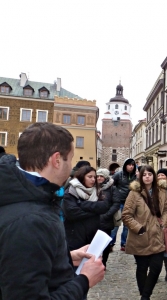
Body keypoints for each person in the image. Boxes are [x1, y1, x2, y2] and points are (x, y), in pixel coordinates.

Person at [0, 122, 104, 299]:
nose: (71, 166)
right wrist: (84, 280)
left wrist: (65, 258)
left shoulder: (30, 196)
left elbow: (25, 264)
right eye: (70, 158)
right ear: (56, 160)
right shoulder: (30, 220)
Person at [122, 165, 167, 300]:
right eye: (144, 174)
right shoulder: (134, 193)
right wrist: (139, 228)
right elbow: (126, 215)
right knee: (142, 268)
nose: (147, 177)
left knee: (156, 268)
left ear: (154, 176)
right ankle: (145, 296)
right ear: (140, 176)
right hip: (140, 237)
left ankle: (145, 296)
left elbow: (166, 209)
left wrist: (164, 223)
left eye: (149, 174)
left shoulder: (161, 191)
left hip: (157, 236)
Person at [63, 166, 109, 251]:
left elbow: (104, 206)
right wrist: (95, 211)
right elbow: (72, 213)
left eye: (94, 177)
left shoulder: (97, 190)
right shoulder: (71, 192)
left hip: (93, 235)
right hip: (75, 236)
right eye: (90, 177)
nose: (93, 180)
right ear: (82, 176)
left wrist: (82, 204)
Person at [111, 158, 137, 251]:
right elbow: (111, 184)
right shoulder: (119, 175)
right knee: (116, 223)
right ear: (125, 165)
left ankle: (124, 243)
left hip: (130, 203)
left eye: (133, 165)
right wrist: (115, 196)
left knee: (127, 225)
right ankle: (111, 243)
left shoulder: (135, 176)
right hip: (119, 202)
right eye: (129, 164)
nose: (131, 166)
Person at [97, 168, 120, 268]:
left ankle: (104, 262)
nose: (99, 178)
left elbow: (116, 203)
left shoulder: (112, 188)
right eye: (97, 176)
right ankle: (95, 262)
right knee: (94, 243)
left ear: (105, 177)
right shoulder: (93, 187)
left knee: (105, 243)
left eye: (101, 176)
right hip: (94, 219)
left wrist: (107, 215)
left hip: (106, 220)